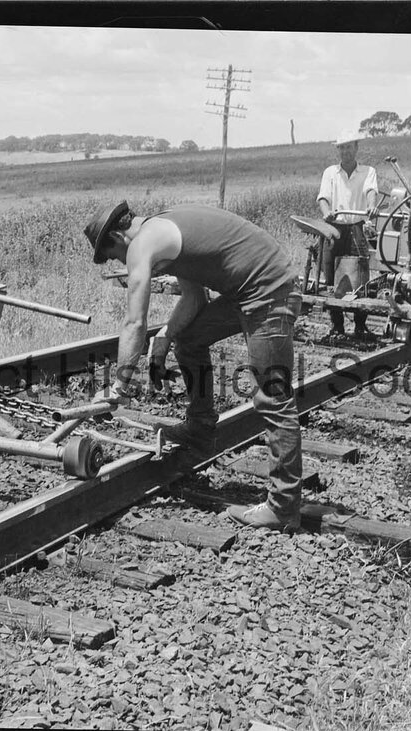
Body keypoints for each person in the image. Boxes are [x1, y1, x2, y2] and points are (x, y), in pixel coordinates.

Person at [84, 201, 303, 532]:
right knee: (189, 339)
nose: (120, 262)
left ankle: (283, 508)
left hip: (270, 292)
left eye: (114, 254)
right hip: (248, 292)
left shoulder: (142, 244)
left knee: (273, 398)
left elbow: (134, 321)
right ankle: (200, 427)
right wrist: (167, 337)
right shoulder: (165, 233)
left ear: (118, 235)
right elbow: (194, 299)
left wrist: (119, 386)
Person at [316, 130, 379, 337]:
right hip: (335, 228)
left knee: (360, 278)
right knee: (331, 278)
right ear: (338, 150)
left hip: (357, 228)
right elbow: (323, 198)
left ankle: (360, 326)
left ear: (356, 148)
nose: (346, 151)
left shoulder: (368, 172)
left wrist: (371, 206)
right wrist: (326, 214)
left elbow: (371, 192)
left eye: (349, 147)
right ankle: (337, 326)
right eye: (342, 148)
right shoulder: (330, 173)